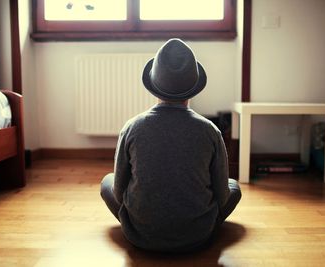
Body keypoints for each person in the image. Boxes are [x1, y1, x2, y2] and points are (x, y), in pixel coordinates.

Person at [100, 38, 241, 252]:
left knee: (106, 182)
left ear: (153, 86)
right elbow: (222, 196)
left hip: (140, 234)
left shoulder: (132, 127)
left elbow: (119, 192)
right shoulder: (210, 130)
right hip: (198, 236)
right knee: (234, 187)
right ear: (194, 88)